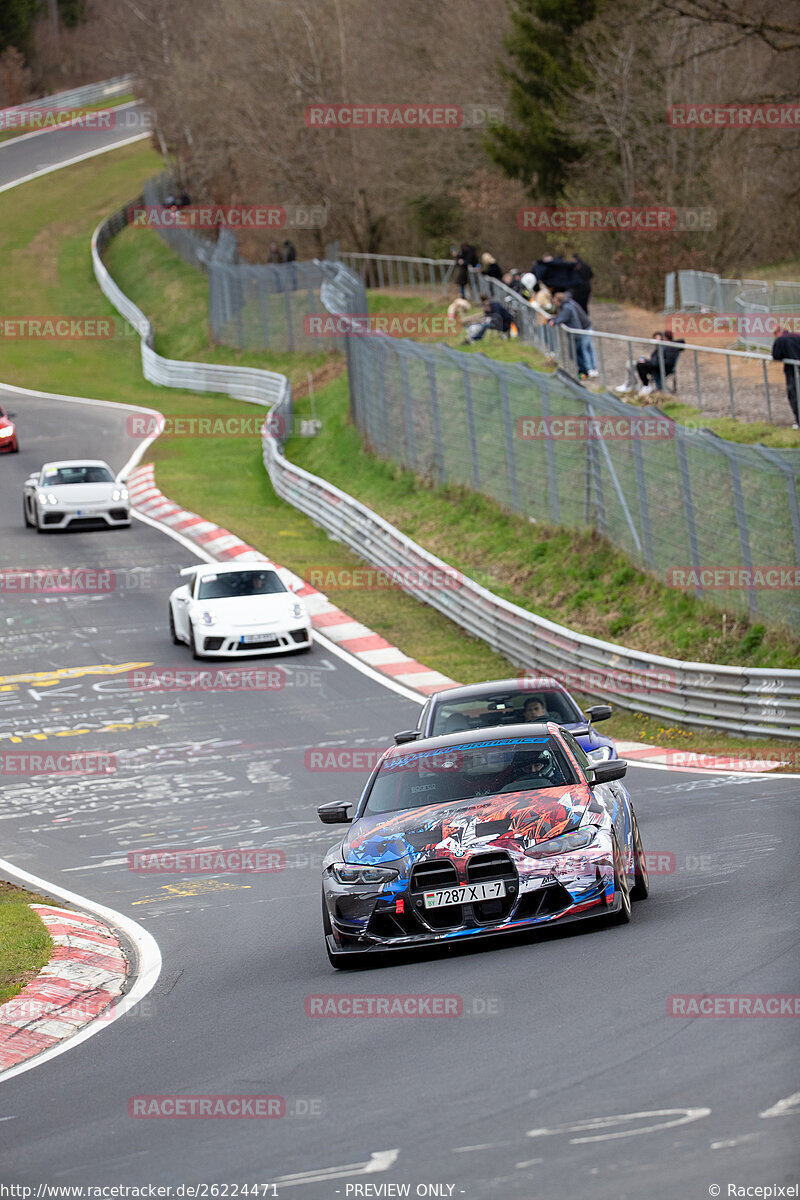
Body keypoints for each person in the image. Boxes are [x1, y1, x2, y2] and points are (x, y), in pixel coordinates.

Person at [549, 291, 598, 378]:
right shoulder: (568, 303)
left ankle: (590, 369)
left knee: (585, 348)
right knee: (584, 349)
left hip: (583, 329)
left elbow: (563, 317)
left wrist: (554, 321)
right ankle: (590, 369)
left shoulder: (567, 306)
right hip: (582, 328)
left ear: (557, 300)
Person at [771, 325, 800, 428]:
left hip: (792, 372)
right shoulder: (797, 335)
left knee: (794, 396)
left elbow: (776, 355)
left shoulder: (780, 340)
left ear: (777, 333)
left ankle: (799, 422)